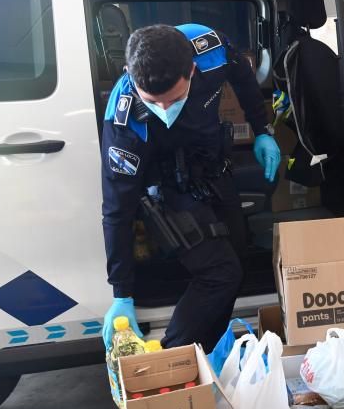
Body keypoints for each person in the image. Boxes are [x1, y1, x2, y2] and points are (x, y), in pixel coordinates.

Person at [100, 24, 280, 350]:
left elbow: (242, 78)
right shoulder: (124, 123)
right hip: (168, 189)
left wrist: (261, 128)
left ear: (192, 70)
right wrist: (121, 292)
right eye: (154, 102)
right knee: (221, 272)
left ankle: (207, 354)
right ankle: (174, 362)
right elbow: (116, 210)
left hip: (212, 169)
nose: (165, 110)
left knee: (235, 265)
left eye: (175, 98)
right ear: (130, 74)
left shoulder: (211, 51)